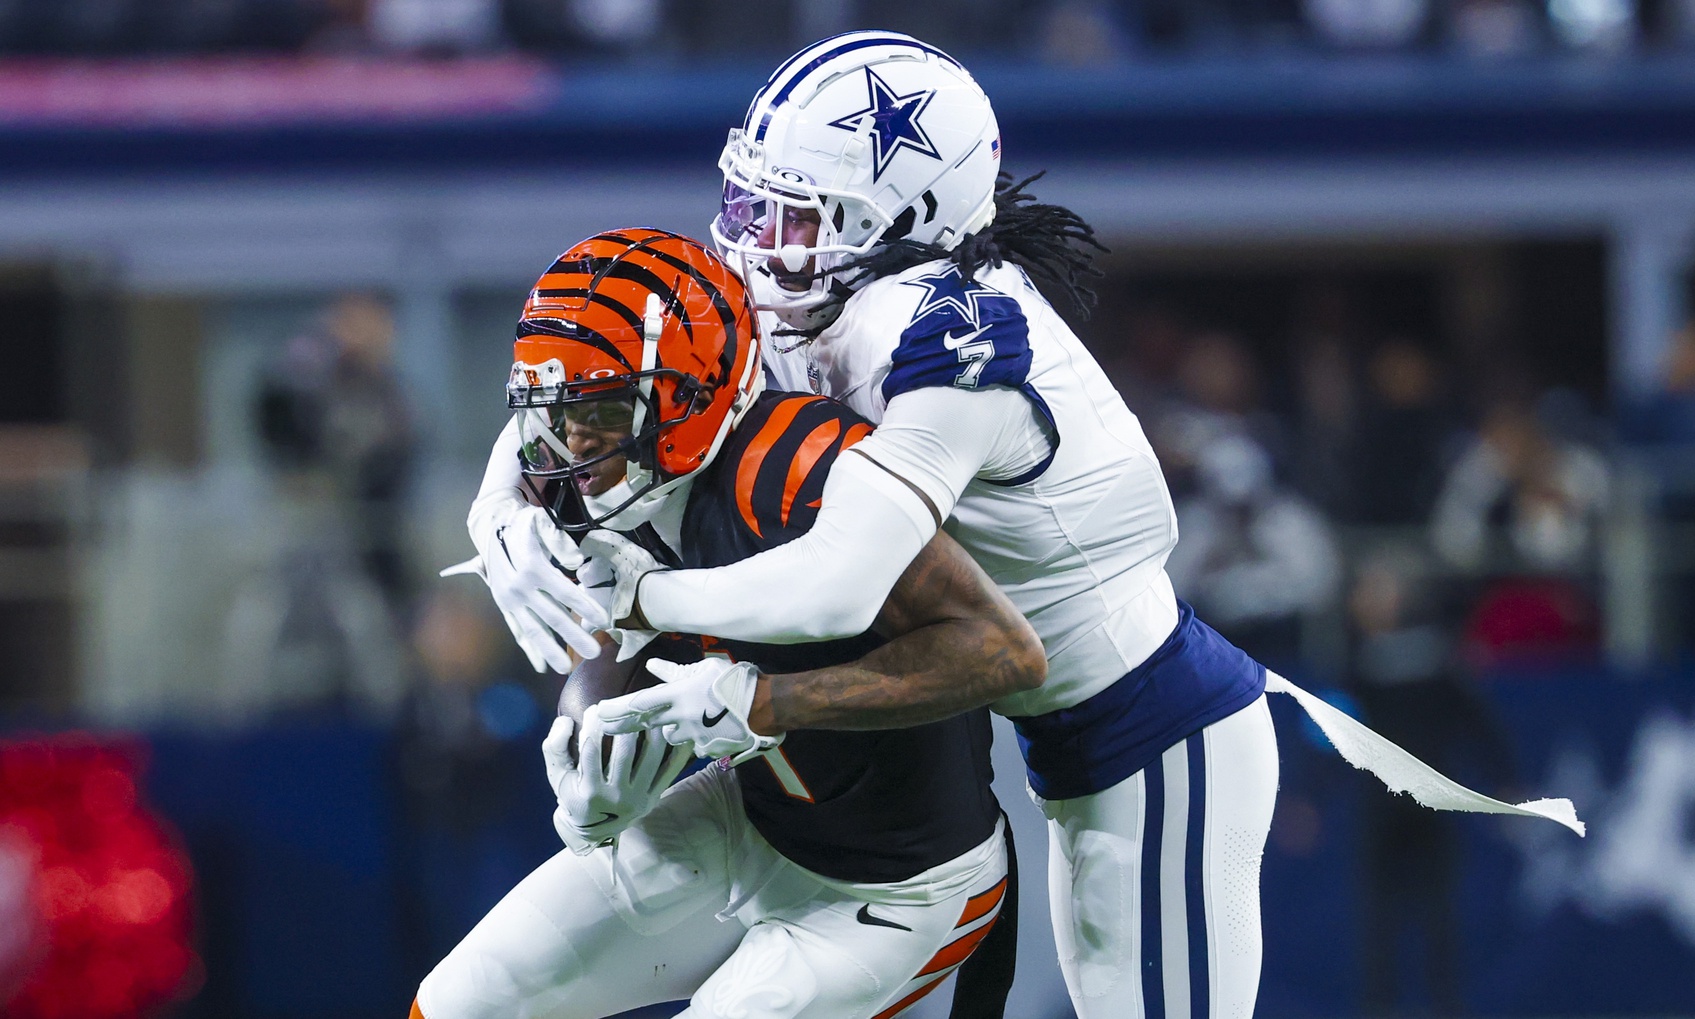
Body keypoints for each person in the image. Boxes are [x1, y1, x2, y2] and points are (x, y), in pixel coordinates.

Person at [468, 33, 1582, 1019]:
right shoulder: (845, 285)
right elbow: (629, 340)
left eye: (789, 214)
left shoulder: (947, 337)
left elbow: (842, 586)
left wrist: (635, 595)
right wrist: (504, 505)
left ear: (894, 219)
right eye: (752, 202)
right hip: (1051, 732)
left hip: (1156, 731)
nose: (754, 242)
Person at [421, 229, 1043, 1019]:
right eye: (559, 413)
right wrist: (593, 750)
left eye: (602, 411)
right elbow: (631, 635)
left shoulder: (798, 467)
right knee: (463, 1000)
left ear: (690, 392)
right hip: (746, 816)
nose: (574, 447)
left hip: (903, 883)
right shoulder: (598, 466)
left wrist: (769, 703)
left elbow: (1001, 651)